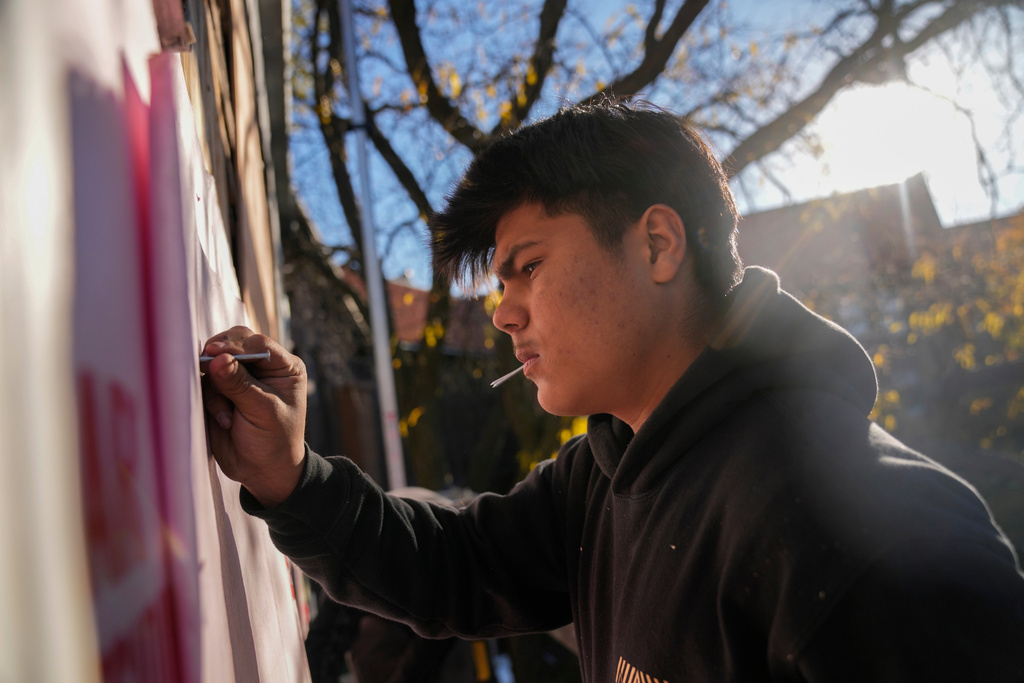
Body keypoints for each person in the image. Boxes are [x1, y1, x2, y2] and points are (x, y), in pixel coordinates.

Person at [201, 100, 1024, 682]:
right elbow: (449, 565)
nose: (503, 313)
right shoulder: (600, 478)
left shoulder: (879, 537)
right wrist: (290, 474)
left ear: (659, 244)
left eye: (527, 267)